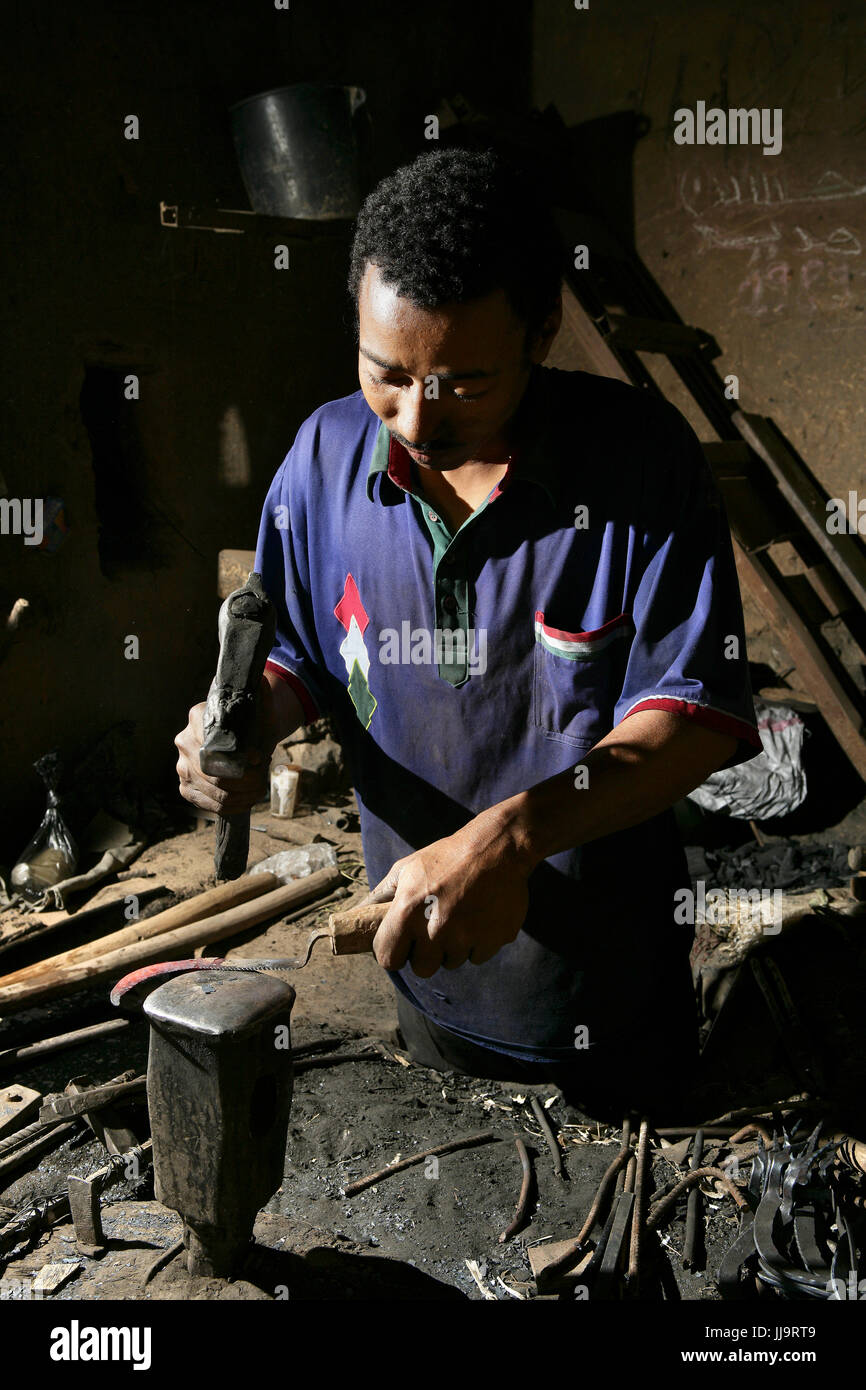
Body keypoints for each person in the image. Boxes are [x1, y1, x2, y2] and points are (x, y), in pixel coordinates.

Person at [176, 148, 759, 1118]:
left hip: (605, 997)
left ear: (542, 331)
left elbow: (692, 716)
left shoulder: (637, 464)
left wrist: (512, 837)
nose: (415, 418)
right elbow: (299, 655)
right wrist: (239, 727)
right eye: (385, 375)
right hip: (422, 970)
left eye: (462, 382)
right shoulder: (321, 459)